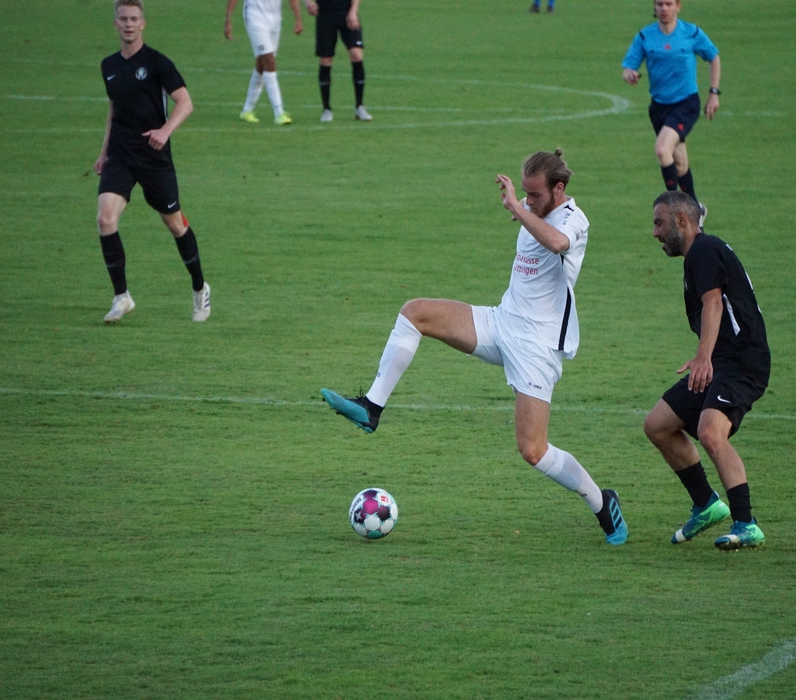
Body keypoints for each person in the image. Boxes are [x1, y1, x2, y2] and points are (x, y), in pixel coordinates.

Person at [321, 150, 627, 546]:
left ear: (559, 189)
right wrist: (525, 208)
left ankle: (601, 502)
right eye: (525, 193)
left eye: (535, 194)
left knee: (533, 450)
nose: (528, 200)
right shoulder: (535, 208)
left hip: (536, 346)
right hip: (501, 322)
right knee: (415, 313)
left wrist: (517, 208)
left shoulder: (574, 220)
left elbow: (556, 242)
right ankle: (371, 407)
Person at [643, 191, 770, 550]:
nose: (655, 232)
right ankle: (706, 504)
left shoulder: (703, 250)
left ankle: (746, 524)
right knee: (658, 424)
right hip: (722, 362)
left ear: (682, 221)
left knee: (711, 432)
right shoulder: (699, 255)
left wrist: (703, 358)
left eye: (659, 223)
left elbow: (714, 302)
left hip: (741, 362)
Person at [95, 0, 210, 323]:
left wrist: (164, 131)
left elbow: (185, 103)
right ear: (115, 24)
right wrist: (104, 152)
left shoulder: (157, 62)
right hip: (120, 154)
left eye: (134, 18)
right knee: (105, 219)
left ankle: (200, 288)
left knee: (175, 224)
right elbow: (114, 109)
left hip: (153, 157)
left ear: (143, 23)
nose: (129, 24)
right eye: (123, 19)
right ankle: (121, 297)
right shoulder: (109, 66)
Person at [622, 0, 720, 223]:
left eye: (668, 4)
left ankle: (674, 208)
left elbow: (713, 56)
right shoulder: (645, 36)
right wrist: (629, 74)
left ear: (678, 6)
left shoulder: (691, 33)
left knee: (662, 149)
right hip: (659, 108)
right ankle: (696, 211)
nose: (664, 8)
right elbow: (629, 66)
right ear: (654, 7)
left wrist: (714, 92)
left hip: (686, 104)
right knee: (680, 163)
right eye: (659, 4)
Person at [225, 0, 303, 126]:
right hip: (255, 17)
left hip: (275, 20)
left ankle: (247, 110)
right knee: (268, 60)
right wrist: (228, 19)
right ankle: (279, 112)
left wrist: (298, 18)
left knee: (262, 64)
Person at [304, 0, 371, 122]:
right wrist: (307, 2)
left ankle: (360, 106)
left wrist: (353, 11)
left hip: (347, 12)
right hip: (325, 14)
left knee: (356, 55)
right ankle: (326, 109)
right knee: (326, 59)